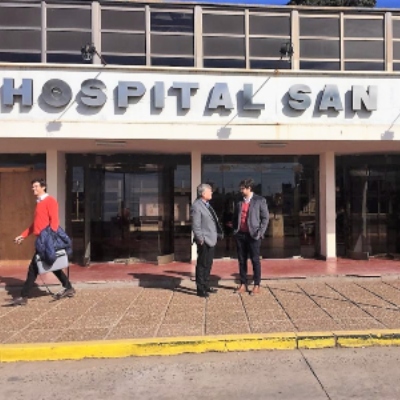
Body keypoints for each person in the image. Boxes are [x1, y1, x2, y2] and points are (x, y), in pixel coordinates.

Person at [10, 178, 75, 306]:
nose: (33, 189)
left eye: (36, 186)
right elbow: (36, 225)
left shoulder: (50, 201)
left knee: (33, 268)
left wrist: (48, 240)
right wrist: (23, 236)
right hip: (41, 240)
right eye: (33, 187)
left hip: (45, 241)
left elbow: (54, 223)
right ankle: (68, 287)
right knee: (52, 266)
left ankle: (23, 296)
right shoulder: (39, 203)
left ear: (43, 187)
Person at [233, 178, 269, 295]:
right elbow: (235, 216)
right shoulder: (238, 201)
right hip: (240, 234)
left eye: (242, 188)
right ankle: (243, 284)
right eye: (240, 188)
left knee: (255, 260)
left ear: (249, 188)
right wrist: (235, 230)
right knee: (241, 260)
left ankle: (256, 285)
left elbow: (265, 218)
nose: (241, 190)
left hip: (253, 235)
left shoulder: (260, 200)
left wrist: (260, 232)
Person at [191, 183, 223, 298]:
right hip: (204, 240)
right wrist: (200, 239)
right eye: (210, 191)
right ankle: (200, 289)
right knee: (202, 264)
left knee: (208, 264)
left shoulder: (207, 205)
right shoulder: (197, 206)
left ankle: (206, 285)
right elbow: (196, 225)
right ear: (203, 193)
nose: (211, 193)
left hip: (211, 239)